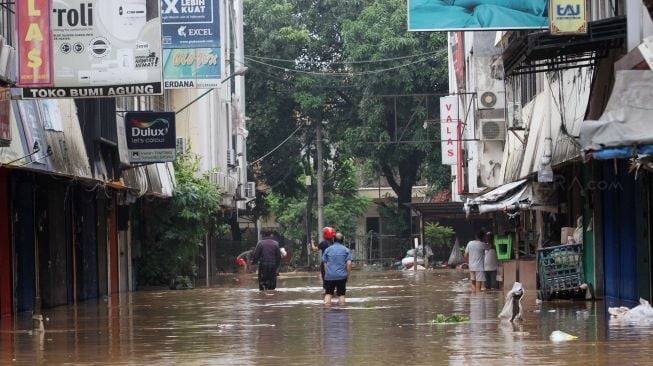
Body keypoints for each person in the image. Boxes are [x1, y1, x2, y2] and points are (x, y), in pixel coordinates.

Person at [322, 232, 353, 305]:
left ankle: (326, 312)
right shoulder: (346, 250)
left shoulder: (327, 250)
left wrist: (327, 275)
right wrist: (347, 276)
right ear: (343, 240)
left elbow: (325, 264)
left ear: (333, 240)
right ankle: (342, 311)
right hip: (341, 276)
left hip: (329, 276)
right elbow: (349, 264)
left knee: (328, 294)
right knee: (341, 295)